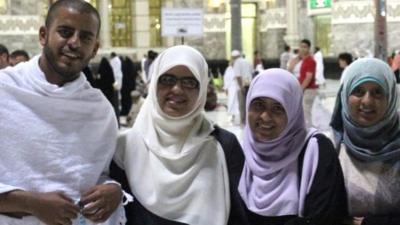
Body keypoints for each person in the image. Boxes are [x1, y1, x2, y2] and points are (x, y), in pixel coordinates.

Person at [0, 1, 125, 225]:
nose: (74, 43)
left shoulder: (99, 109)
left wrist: (113, 190)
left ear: (95, 48)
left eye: (85, 37)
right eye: (65, 32)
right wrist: (30, 203)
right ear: (43, 35)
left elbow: (98, 174)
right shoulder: (4, 90)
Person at [113, 45, 247, 225]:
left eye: (189, 82)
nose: (176, 89)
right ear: (154, 84)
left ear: (202, 90)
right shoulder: (125, 148)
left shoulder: (223, 145)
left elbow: (239, 217)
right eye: (167, 79)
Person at [239, 69, 347, 225]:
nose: (265, 117)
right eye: (258, 105)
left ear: (293, 110)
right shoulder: (242, 152)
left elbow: (326, 217)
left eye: (277, 108)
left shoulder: (316, 150)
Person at [330, 58, 400, 225]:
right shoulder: (330, 148)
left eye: (377, 92)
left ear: (390, 97)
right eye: (358, 91)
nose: (367, 101)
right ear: (345, 95)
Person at [298, 39, 317, 128]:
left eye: (305, 47)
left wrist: (301, 89)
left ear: (309, 48)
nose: (302, 49)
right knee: (304, 111)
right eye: (301, 47)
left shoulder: (310, 61)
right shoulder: (304, 60)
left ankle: (308, 130)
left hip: (309, 90)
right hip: (305, 89)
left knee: (306, 111)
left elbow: (308, 77)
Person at [232, 49, 253, 124]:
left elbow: (238, 76)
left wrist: (241, 88)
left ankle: (243, 121)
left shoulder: (237, 62)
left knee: (242, 105)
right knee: (249, 104)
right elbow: (252, 73)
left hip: (242, 87)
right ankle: (249, 121)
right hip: (250, 85)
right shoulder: (247, 61)